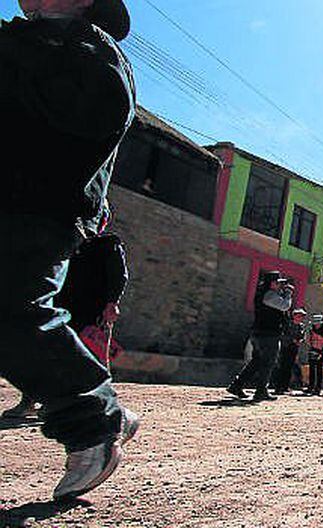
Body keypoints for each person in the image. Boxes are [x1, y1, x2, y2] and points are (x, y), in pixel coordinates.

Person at [0, 0, 140, 500]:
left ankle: (94, 419)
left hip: (36, 208)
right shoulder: (27, 42)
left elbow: (96, 114)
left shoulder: (88, 48)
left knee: (11, 309)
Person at [3, 229, 129, 420]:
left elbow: (118, 275)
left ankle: (85, 406)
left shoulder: (108, 244)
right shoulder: (67, 237)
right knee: (42, 350)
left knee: (79, 356)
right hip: (60, 303)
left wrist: (112, 302)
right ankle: (30, 401)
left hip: (90, 309)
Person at [226, 272, 294, 402]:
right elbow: (285, 306)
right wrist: (288, 294)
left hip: (261, 333)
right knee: (268, 363)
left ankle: (237, 385)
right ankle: (261, 391)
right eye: (277, 282)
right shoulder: (269, 295)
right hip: (268, 334)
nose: (279, 285)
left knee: (256, 362)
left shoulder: (266, 294)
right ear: (271, 283)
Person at [272, 308, 307, 395]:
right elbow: (283, 335)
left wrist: (300, 341)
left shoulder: (301, 326)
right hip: (285, 347)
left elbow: (302, 336)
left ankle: (285, 386)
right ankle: (278, 387)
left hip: (294, 348)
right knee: (282, 367)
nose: (300, 318)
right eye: (299, 316)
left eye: (302, 316)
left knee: (289, 367)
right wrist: (292, 340)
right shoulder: (288, 324)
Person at [306, 314, 323, 396]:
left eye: (318, 323)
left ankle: (318, 388)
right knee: (312, 369)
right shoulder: (311, 330)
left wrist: (318, 337)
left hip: (320, 350)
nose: (316, 325)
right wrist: (311, 343)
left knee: (319, 370)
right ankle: (310, 386)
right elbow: (307, 339)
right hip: (312, 350)